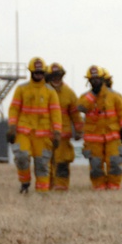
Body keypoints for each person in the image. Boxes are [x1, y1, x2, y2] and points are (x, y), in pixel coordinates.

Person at [7, 57, 62, 193]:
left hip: (43, 136)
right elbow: (14, 109)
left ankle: (42, 193)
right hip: (23, 132)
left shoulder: (50, 91)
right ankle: (24, 183)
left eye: (41, 72)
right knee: (21, 156)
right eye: (36, 72)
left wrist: (57, 132)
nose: (39, 74)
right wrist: (12, 127)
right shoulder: (21, 89)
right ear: (31, 72)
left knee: (42, 165)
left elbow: (56, 113)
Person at [77, 66, 122, 190]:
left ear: (102, 79)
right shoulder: (86, 97)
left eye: (97, 79)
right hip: (93, 140)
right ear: (88, 81)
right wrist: (93, 95)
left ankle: (114, 187)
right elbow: (81, 108)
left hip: (112, 137)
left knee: (115, 163)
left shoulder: (115, 96)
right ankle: (99, 187)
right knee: (95, 165)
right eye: (92, 79)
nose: (95, 82)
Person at [45, 62, 83, 191]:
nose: (56, 78)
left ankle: (61, 188)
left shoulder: (69, 93)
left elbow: (75, 115)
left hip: (63, 137)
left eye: (59, 75)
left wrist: (79, 130)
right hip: (44, 136)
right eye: (53, 76)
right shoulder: (43, 92)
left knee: (62, 163)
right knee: (45, 163)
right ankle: (45, 187)